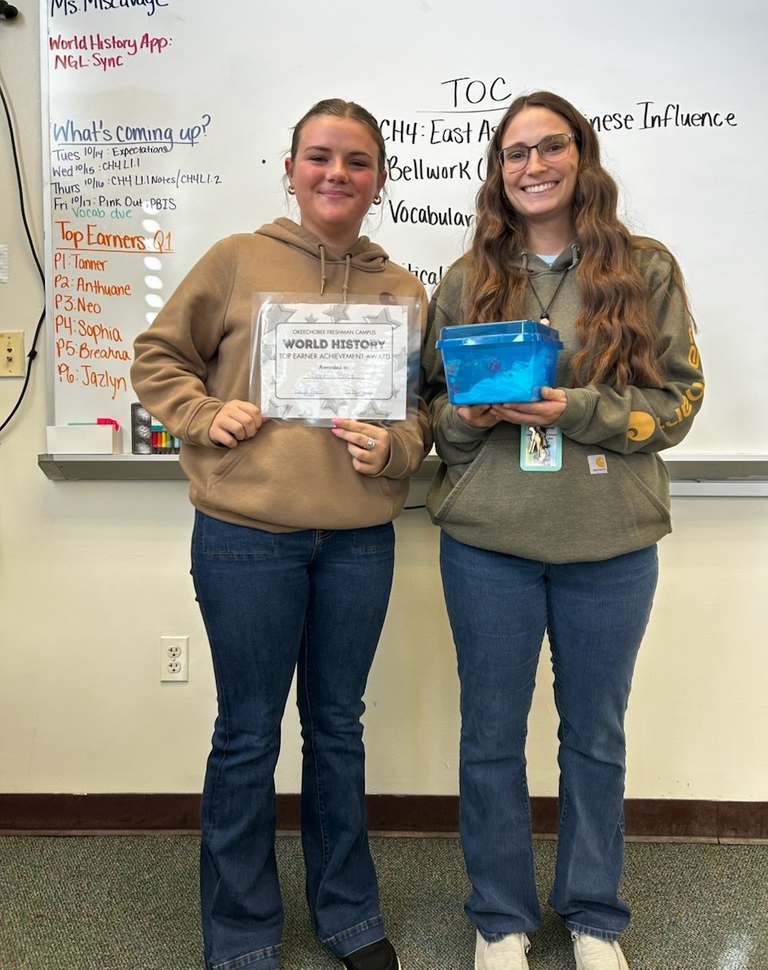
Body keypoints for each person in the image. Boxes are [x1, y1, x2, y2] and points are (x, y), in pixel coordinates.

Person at [131, 98, 432, 970]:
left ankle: (347, 917)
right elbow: (157, 354)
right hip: (244, 538)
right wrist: (202, 411)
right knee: (249, 733)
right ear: (291, 168)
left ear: (380, 179)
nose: (336, 175)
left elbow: (422, 412)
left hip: (357, 542)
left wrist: (400, 443)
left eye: (357, 162)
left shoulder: (401, 289)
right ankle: (241, 931)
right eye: (319, 158)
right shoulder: (235, 260)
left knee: (338, 728)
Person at [421, 90, 704, 970]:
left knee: (595, 734)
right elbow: (430, 407)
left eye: (550, 148)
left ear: (582, 157)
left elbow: (681, 402)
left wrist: (570, 406)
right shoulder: (467, 280)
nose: (533, 166)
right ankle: (500, 916)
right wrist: (477, 417)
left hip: (611, 543)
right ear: (498, 173)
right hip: (488, 544)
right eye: (515, 153)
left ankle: (592, 915)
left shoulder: (645, 269)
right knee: (490, 735)